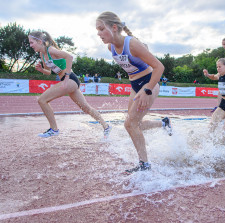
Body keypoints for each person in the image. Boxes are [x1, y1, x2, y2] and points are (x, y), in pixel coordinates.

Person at [96, 11, 172, 174]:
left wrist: (148, 90)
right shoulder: (111, 47)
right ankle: (163, 123)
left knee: (129, 124)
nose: (98, 33)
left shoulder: (132, 44)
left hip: (148, 84)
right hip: (135, 86)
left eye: (101, 29)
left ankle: (144, 164)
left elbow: (159, 67)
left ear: (114, 28)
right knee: (133, 124)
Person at [28, 31, 111, 138]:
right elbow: (48, 72)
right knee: (86, 108)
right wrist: (41, 69)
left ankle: (54, 129)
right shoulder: (42, 55)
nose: (30, 45)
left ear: (39, 41)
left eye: (31, 42)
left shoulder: (51, 50)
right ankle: (106, 126)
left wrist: (66, 77)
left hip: (70, 79)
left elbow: (69, 57)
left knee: (42, 100)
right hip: (68, 81)